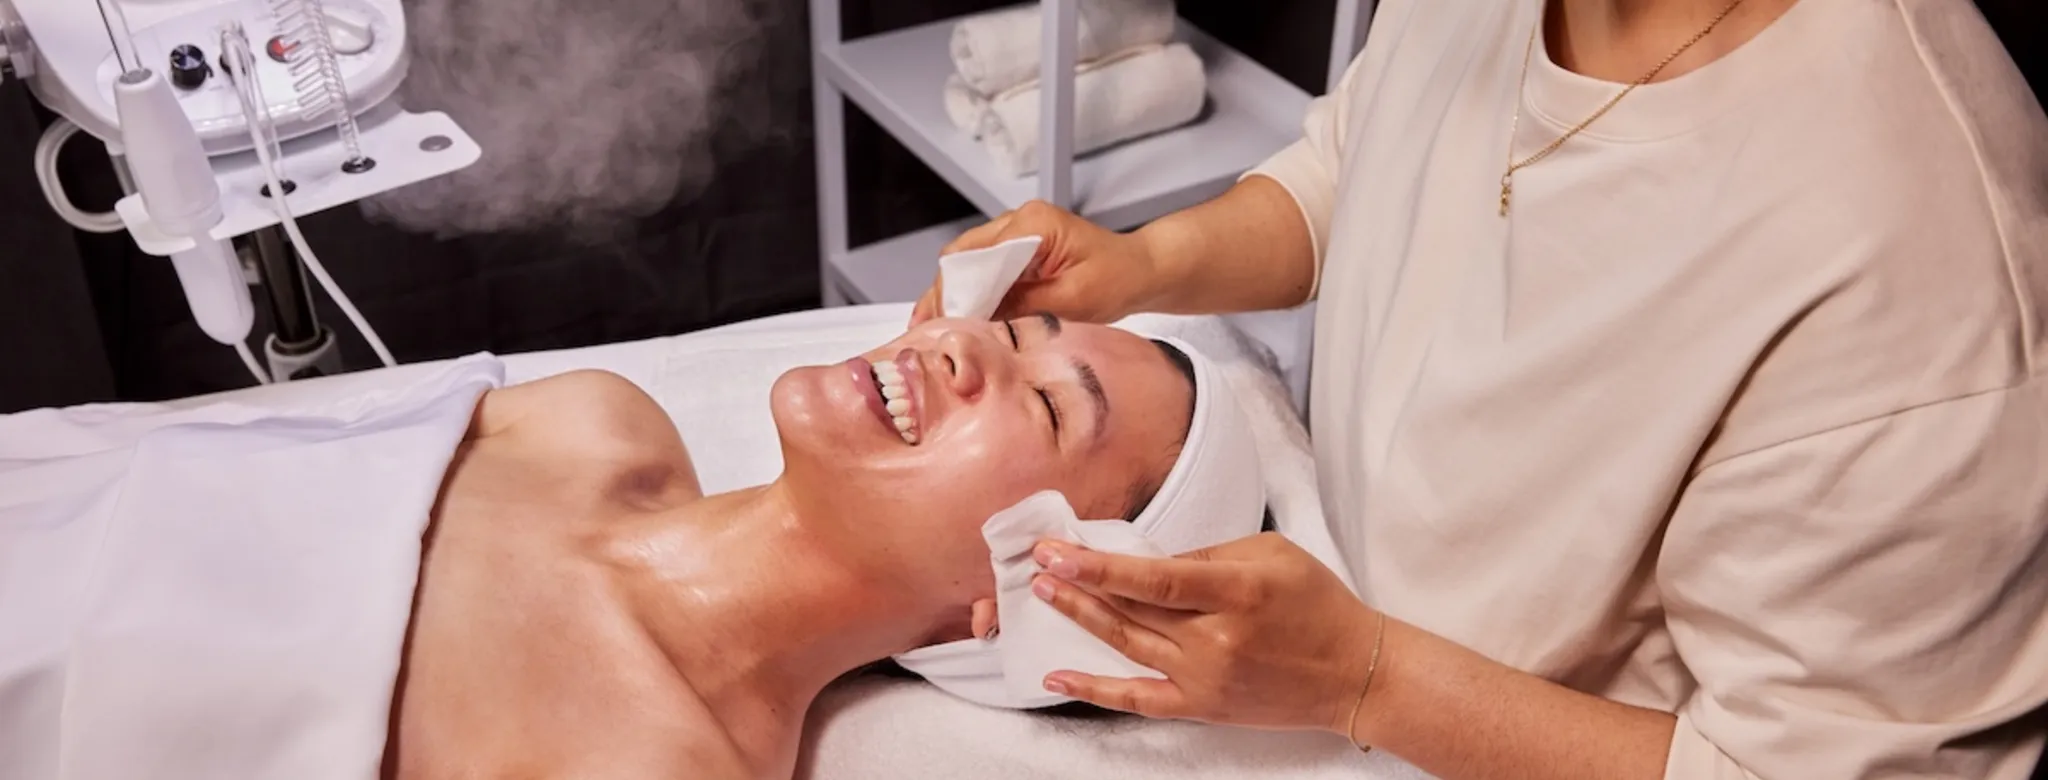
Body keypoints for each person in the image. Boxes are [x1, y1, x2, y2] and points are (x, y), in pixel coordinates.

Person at [910, 0, 2048, 778]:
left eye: (1055, 399)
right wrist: (1149, 262)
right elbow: (1358, 163)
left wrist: (1366, 680)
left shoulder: (1913, 264)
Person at [380, 315, 1223, 779]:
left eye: (1047, 406)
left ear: (1012, 605)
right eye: (1009, 332)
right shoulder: (590, 424)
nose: (960, 342)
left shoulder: (654, 763)